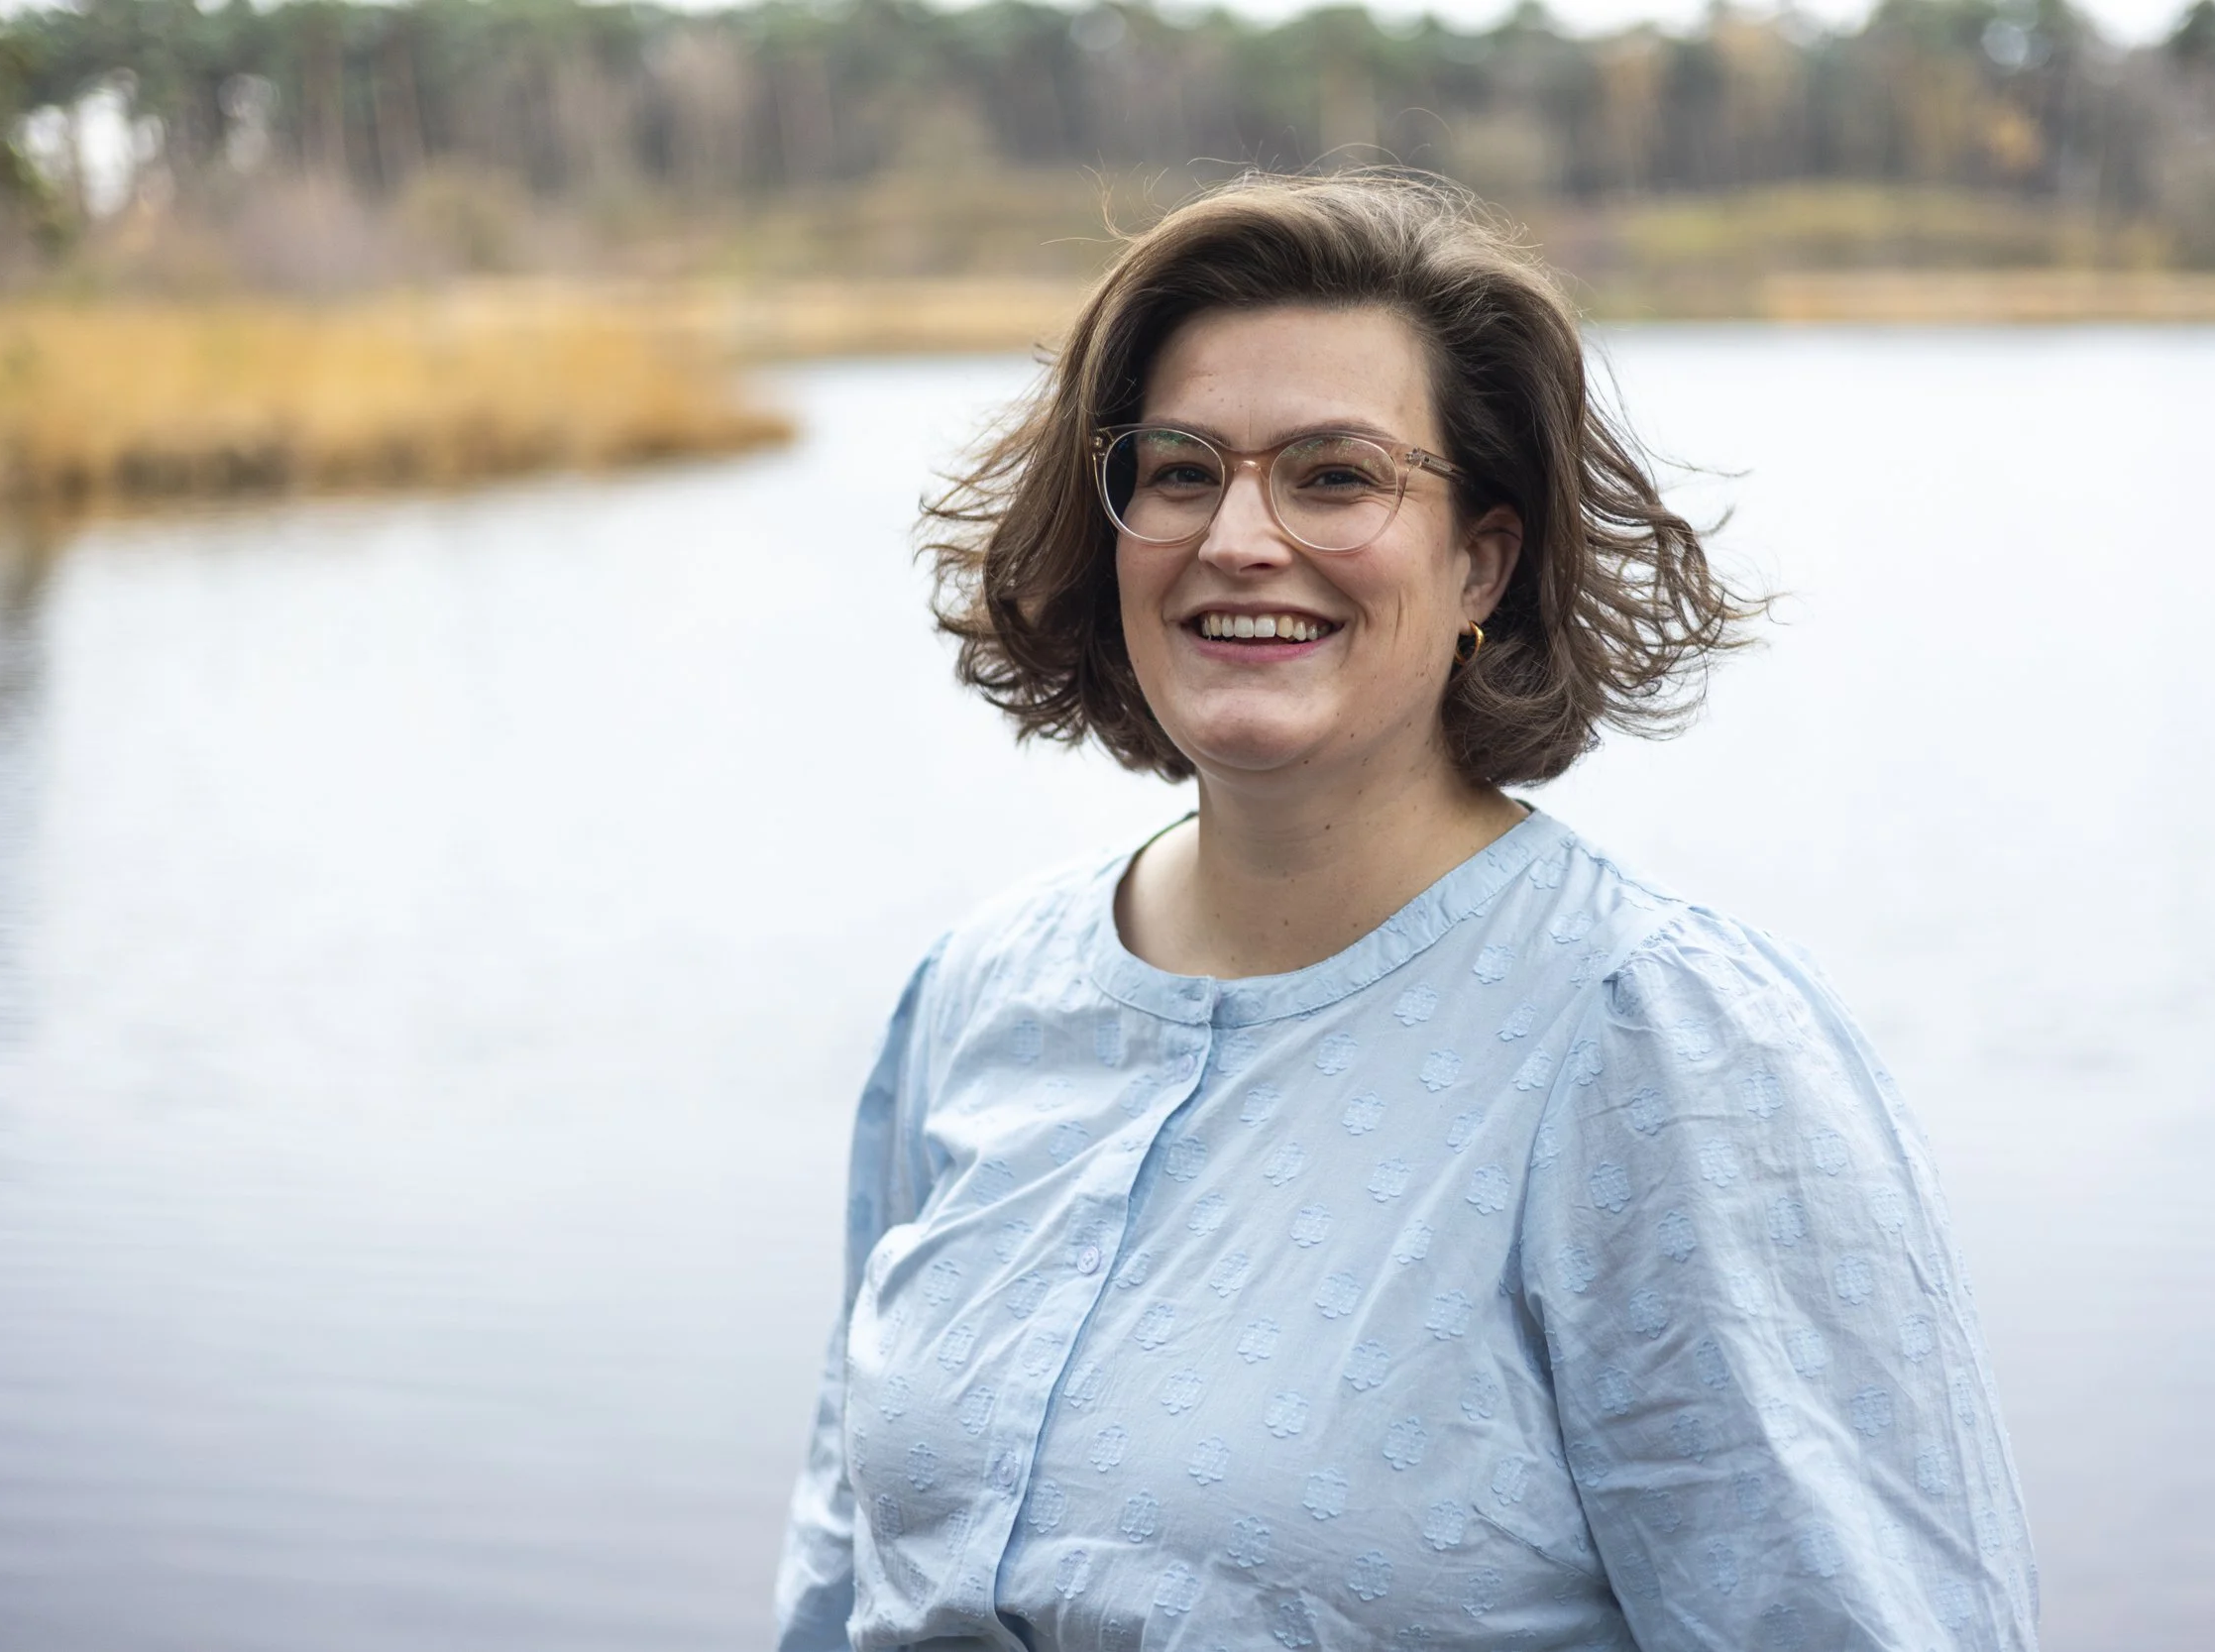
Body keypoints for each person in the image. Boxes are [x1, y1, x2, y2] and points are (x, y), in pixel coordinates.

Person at [774, 170, 2036, 1651]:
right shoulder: (978, 993)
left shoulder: (1659, 1043)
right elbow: (839, 1559)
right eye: (1179, 470)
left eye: (1333, 475)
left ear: (1480, 563)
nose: (1238, 537)